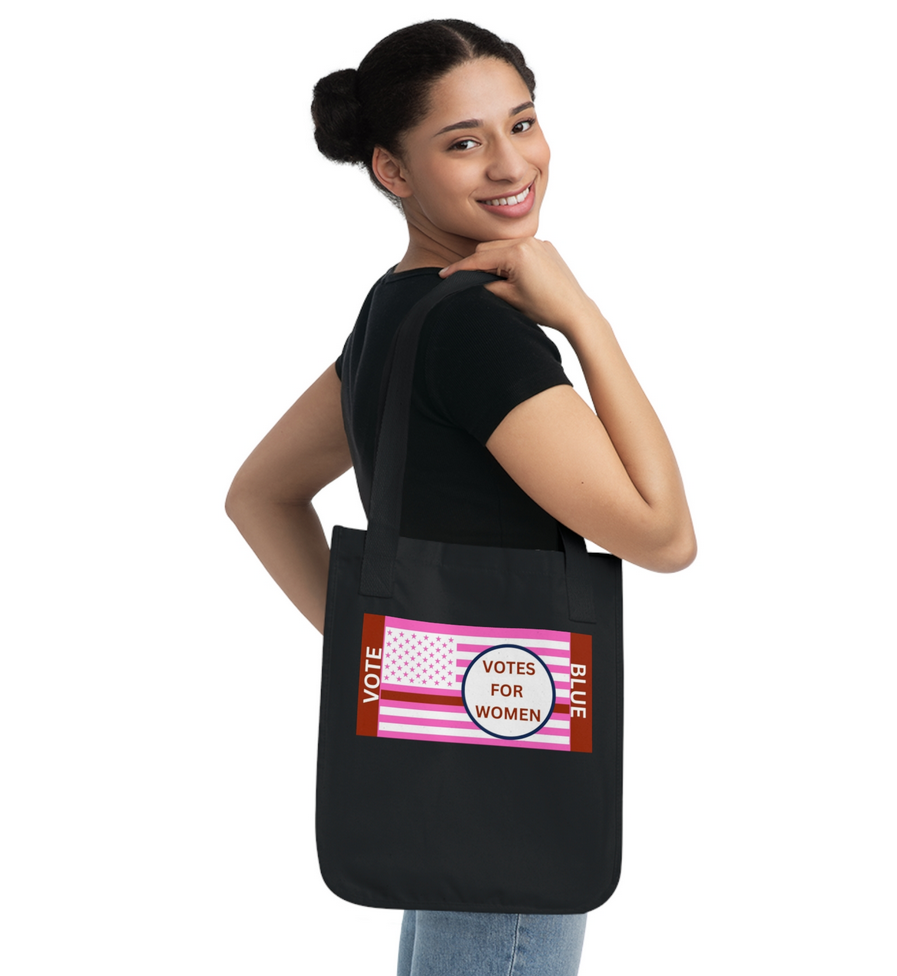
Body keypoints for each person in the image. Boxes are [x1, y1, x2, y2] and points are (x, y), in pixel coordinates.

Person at [226, 19, 696, 976]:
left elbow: (260, 497)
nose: (509, 163)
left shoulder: (393, 308)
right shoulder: (478, 333)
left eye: (521, 123)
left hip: (454, 752)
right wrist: (582, 318)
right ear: (392, 172)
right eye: (462, 142)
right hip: (512, 770)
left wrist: (392, 659)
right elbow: (662, 534)